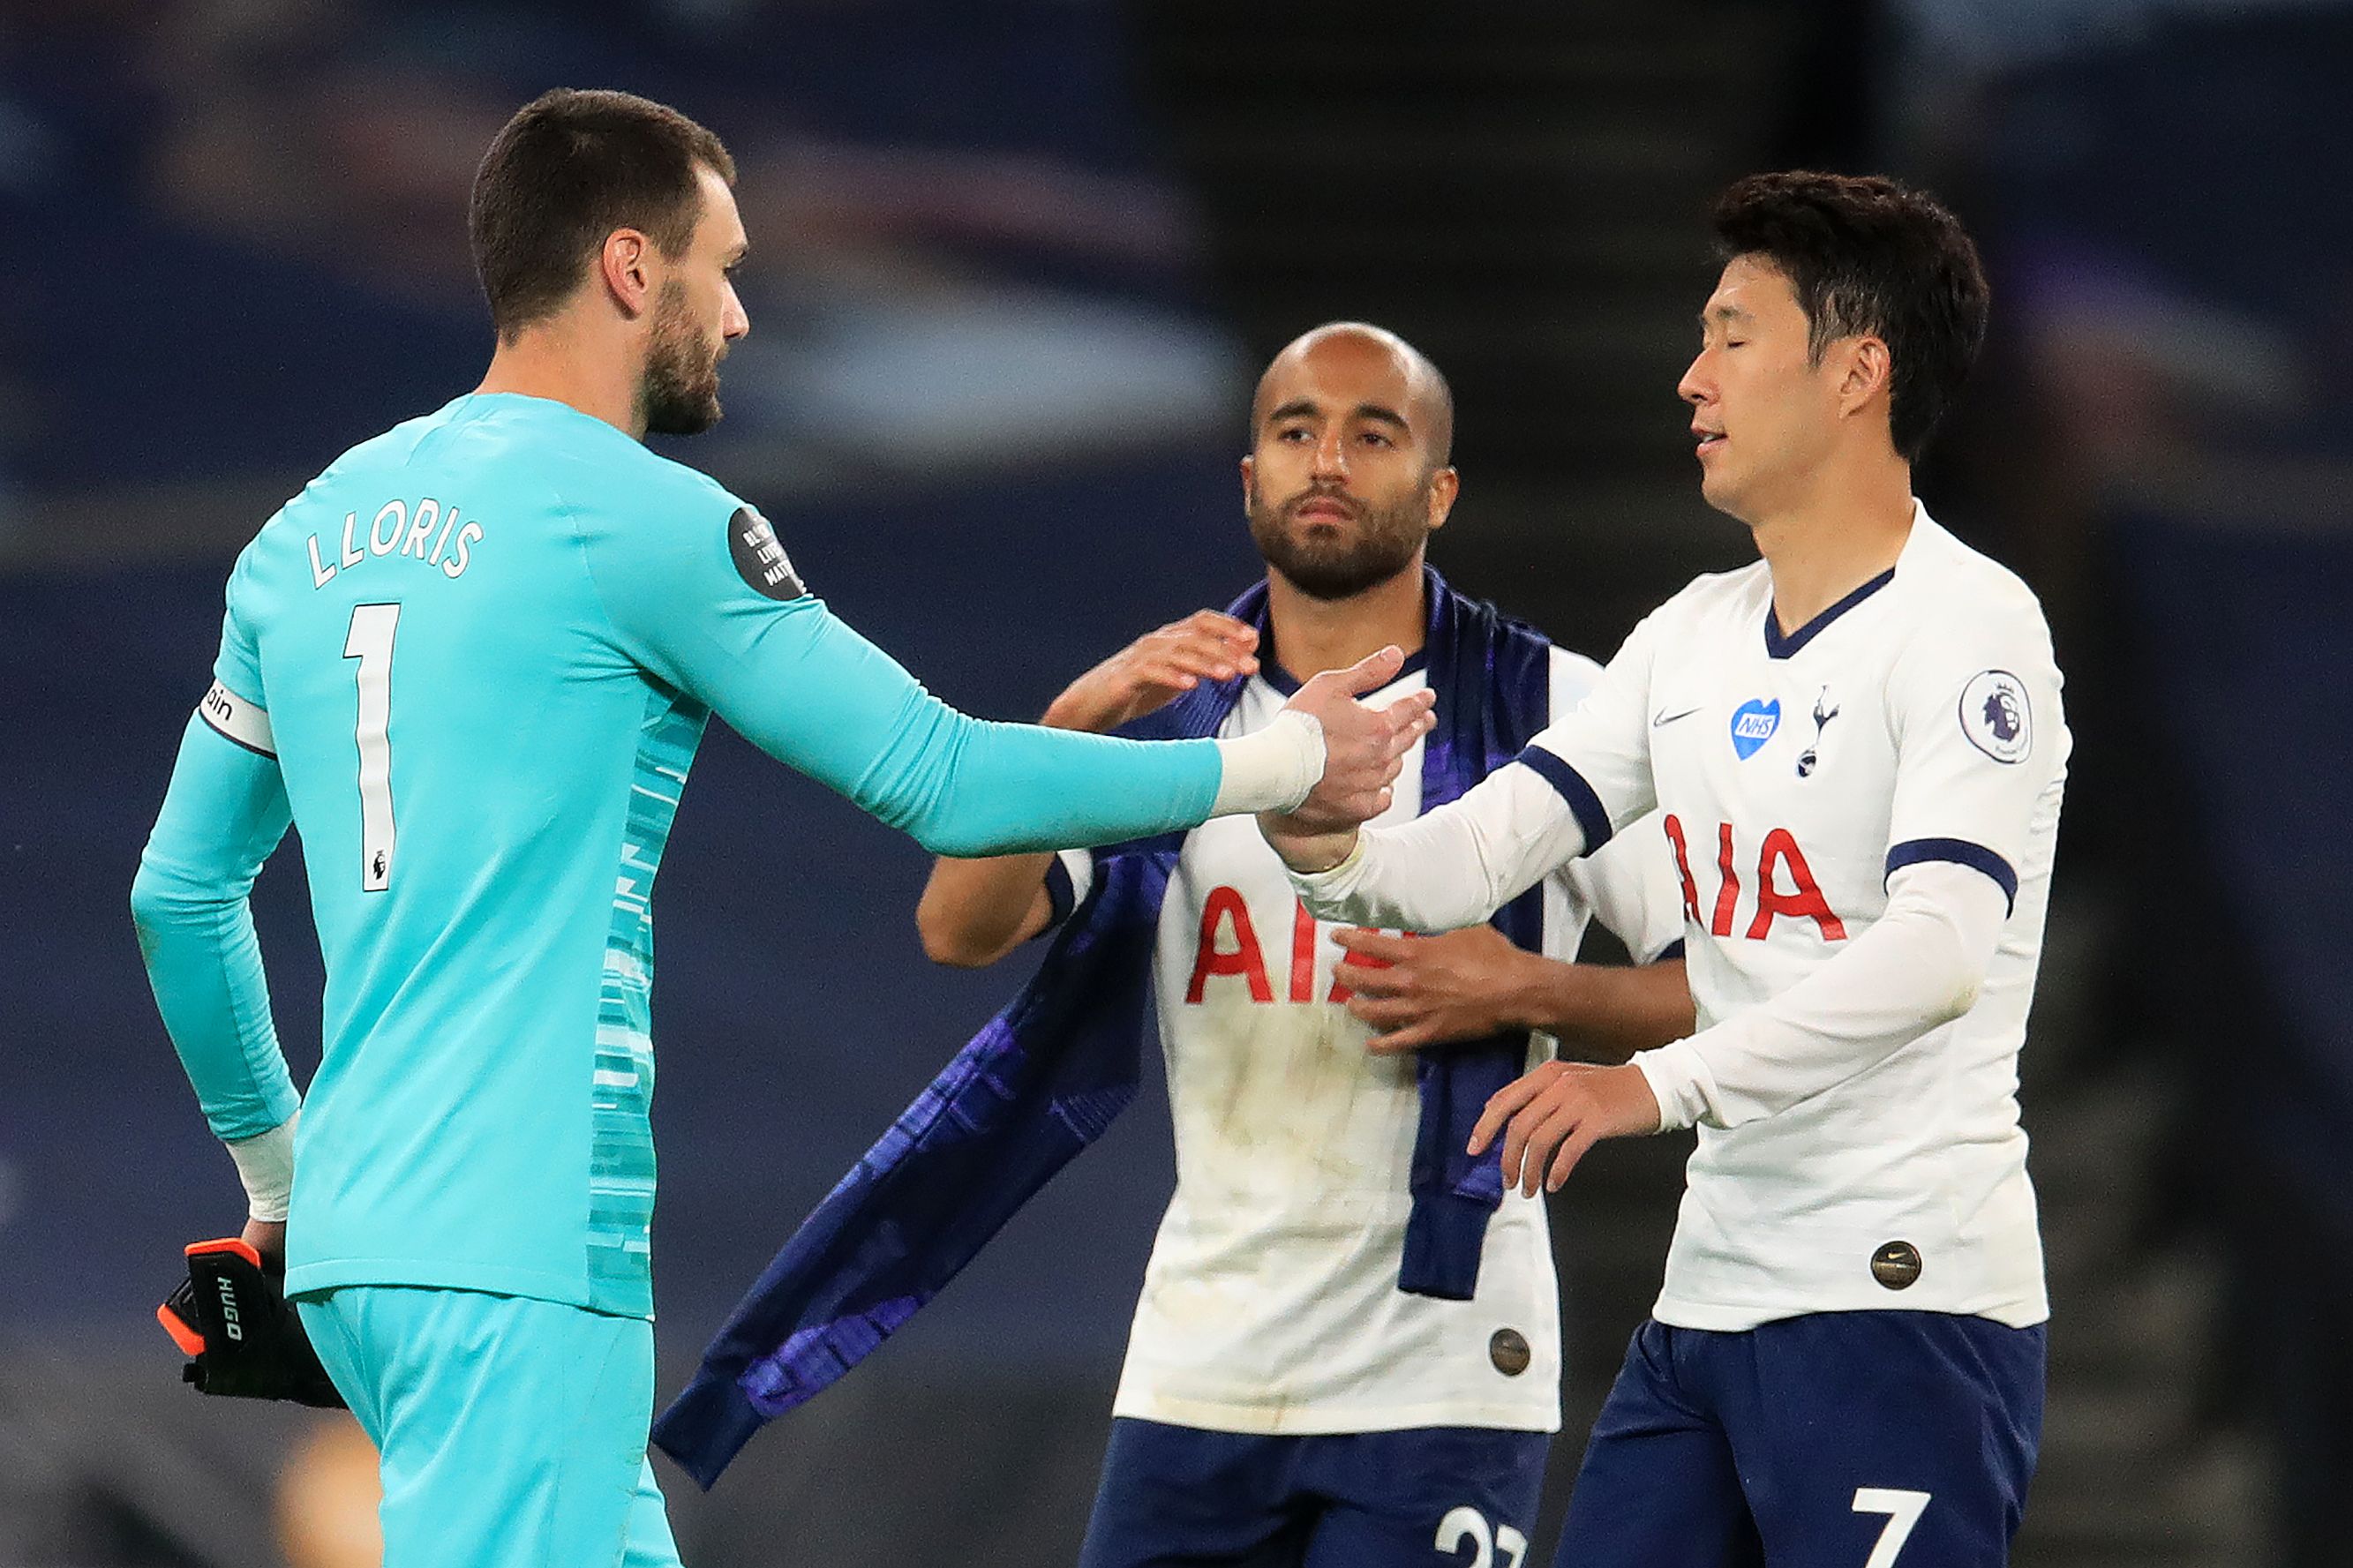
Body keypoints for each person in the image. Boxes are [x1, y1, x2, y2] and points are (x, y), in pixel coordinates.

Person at [127, 89, 1429, 1568]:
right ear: (631, 267)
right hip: (513, 1238)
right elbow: (941, 777)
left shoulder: (306, 531)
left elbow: (180, 895)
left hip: (368, 1249)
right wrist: (1280, 762)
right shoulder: (641, 521)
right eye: (723, 267)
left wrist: (283, 1179)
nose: (741, 313)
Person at [1259, 174, 2069, 1567]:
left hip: (1900, 1299)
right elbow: (1481, 846)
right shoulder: (1690, 633)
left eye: (1732, 336)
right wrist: (1320, 834)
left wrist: (1652, 1083)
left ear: (1856, 372)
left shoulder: (1970, 627)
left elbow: (1938, 950)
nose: (1691, 378)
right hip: (1706, 1305)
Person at [913, 321, 1693, 1568]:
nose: (1326, 459)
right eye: (1294, 431)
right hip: (1202, 1362)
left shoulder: (1560, 704)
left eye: (1372, 435)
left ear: (1438, 490)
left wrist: (1527, 986)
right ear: (1249, 478)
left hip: (1442, 1365)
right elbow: (958, 926)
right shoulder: (1172, 720)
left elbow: (1725, 984)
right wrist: (1072, 718)